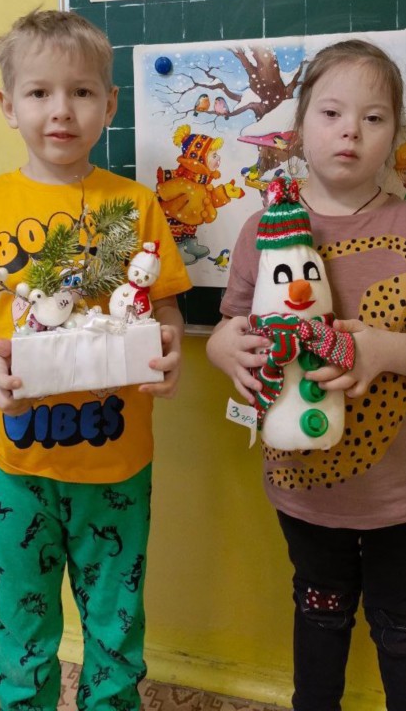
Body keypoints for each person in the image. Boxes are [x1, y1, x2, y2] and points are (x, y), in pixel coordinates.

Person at [0, 9, 192, 711]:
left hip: (116, 463)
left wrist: (170, 347)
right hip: (17, 465)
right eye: (39, 93)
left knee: (116, 626)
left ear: (109, 105)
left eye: (82, 92)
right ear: (9, 106)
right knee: (21, 626)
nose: (61, 110)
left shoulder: (133, 207)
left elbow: (165, 310)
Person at [206, 38, 406, 711]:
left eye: (373, 117)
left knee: (400, 628)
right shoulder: (263, 230)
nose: (350, 130)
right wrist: (224, 351)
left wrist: (384, 352)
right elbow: (232, 326)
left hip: (398, 492)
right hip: (304, 486)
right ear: (297, 129)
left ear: (394, 135)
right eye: (331, 113)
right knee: (319, 615)